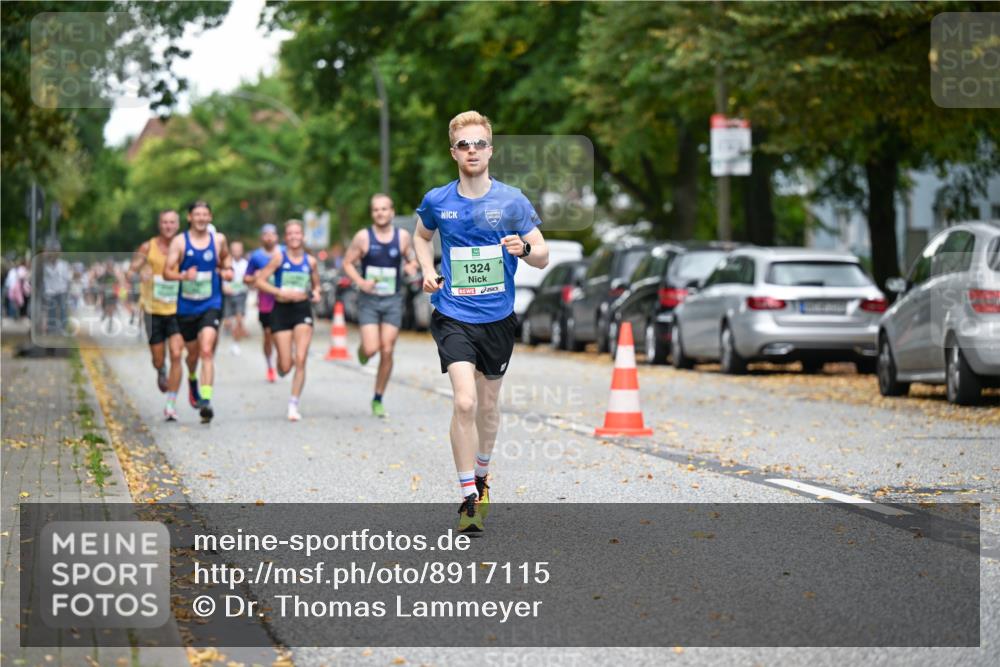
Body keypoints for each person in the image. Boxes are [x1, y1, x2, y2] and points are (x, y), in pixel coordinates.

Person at [413, 110, 549, 534]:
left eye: (479, 144)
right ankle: (467, 495)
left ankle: (484, 475)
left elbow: (543, 255)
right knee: (465, 401)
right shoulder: (438, 200)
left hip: (498, 318)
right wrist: (427, 270)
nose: (472, 151)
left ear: (491, 150)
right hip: (453, 313)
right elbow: (420, 236)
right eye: (464, 145)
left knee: (488, 406)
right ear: (453, 151)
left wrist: (523, 246)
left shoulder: (512, 201)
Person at [342, 194, 418, 417]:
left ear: (392, 212)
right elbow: (347, 263)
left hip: (393, 299)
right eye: (376, 210)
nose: (380, 213)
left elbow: (412, 258)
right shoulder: (363, 238)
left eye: (384, 209)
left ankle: (378, 397)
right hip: (369, 301)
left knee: (387, 349)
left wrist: (411, 267)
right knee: (372, 348)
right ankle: (363, 350)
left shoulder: (402, 237)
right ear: (372, 214)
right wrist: (361, 282)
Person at [163, 201, 233, 424]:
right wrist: (183, 276)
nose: (201, 218)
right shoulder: (180, 242)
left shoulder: (218, 240)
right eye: (197, 215)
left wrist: (228, 271)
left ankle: (206, 401)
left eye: (205, 214)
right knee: (191, 356)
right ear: (190, 217)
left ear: (210, 217)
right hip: (186, 308)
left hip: (211, 304)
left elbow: (226, 259)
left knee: (206, 351)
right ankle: (192, 378)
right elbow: (167, 272)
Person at [254, 219, 320, 421]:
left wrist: (316, 293)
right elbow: (259, 281)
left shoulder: (310, 261)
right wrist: (279, 291)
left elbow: (316, 285)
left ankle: (293, 404)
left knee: (300, 358)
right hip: (281, 311)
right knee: (286, 365)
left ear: (303, 236)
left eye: (297, 233)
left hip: (302, 310)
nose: (293, 237)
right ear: (286, 237)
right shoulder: (278, 258)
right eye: (290, 234)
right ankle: (281, 367)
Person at [127, 209, 184, 420]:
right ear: (159, 225)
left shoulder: (183, 245)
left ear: (177, 225)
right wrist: (140, 272)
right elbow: (130, 271)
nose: (168, 226)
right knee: (158, 358)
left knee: (177, 354)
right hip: (152, 310)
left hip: (177, 309)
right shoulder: (147, 247)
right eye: (165, 222)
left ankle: (170, 404)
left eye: (172, 222)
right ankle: (161, 370)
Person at [244, 224, 281, 382]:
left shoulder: (284, 252)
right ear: (261, 237)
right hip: (266, 303)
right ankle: (270, 365)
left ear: (277, 237)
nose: (269, 237)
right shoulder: (256, 256)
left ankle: (282, 359)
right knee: (268, 335)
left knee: (282, 335)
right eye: (266, 234)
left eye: (272, 234)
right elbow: (246, 278)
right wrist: (256, 277)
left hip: (283, 301)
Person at [222, 240, 250, 356]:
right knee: (228, 322)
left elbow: (250, 278)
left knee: (239, 320)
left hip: (241, 294)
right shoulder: (227, 263)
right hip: (228, 295)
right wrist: (224, 288)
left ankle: (236, 344)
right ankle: (228, 328)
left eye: (238, 249)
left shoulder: (246, 264)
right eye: (234, 249)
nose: (236, 252)